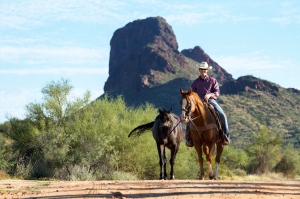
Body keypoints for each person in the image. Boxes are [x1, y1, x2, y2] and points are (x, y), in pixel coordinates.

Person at [186, 61, 230, 146]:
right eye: (201, 69)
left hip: (210, 101)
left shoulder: (212, 80)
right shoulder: (195, 82)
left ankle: (225, 136)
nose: (203, 71)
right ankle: (189, 138)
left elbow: (217, 91)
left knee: (222, 115)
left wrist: (210, 95)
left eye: (205, 69)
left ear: (207, 70)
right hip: (198, 103)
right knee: (189, 117)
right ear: (199, 70)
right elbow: (191, 93)